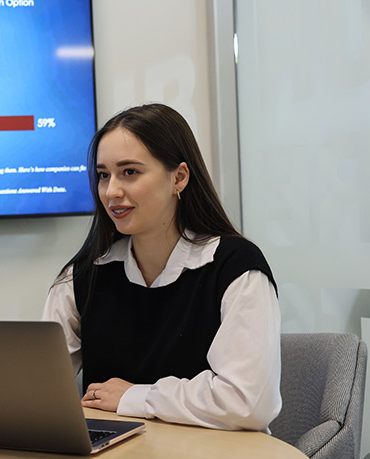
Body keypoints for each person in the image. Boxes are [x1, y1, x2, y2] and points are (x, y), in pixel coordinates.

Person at [42, 103, 281, 431]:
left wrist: (134, 397)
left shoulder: (236, 268)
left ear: (179, 178)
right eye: (103, 175)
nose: (111, 191)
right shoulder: (81, 277)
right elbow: (39, 389)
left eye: (130, 172)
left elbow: (248, 404)